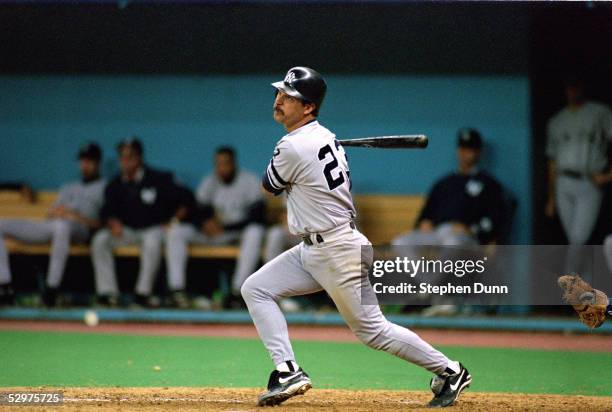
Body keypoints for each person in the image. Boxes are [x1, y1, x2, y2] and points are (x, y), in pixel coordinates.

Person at [240, 67, 471, 408]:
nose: (279, 100)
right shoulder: (322, 137)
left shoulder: (293, 146)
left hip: (336, 250)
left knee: (372, 331)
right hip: (315, 249)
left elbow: (268, 187)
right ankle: (288, 370)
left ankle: (451, 370)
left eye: (289, 97)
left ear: (308, 108)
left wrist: (292, 177)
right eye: (279, 93)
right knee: (256, 288)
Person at [0, 143, 105, 306]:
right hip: (54, 226)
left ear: (97, 163)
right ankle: (4, 286)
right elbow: (50, 214)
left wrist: (73, 215)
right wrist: (58, 213)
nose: (84, 165)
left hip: (79, 230)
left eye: (89, 161)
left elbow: (100, 223)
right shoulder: (68, 187)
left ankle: (51, 289)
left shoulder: (104, 187)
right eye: (82, 161)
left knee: (62, 226)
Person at [165, 147, 265, 308]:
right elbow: (197, 210)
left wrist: (226, 228)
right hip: (212, 234)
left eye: (225, 163)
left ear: (234, 163)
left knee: (255, 232)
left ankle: (237, 291)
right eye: (218, 164)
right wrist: (205, 222)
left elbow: (258, 215)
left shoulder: (249, 180)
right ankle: (177, 290)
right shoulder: (209, 181)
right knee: (177, 232)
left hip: (237, 234)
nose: (222, 168)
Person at [92, 138, 182, 307]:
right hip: (126, 231)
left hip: (153, 229)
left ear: (139, 158)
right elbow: (105, 211)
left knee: (152, 240)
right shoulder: (115, 184)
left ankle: (143, 293)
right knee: (100, 240)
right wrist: (112, 221)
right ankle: (108, 293)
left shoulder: (158, 178)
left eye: (129, 156)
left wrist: (173, 219)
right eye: (122, 157)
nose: (125, 161)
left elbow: (184, 199)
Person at [393, 128, 504, 248]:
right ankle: (421, 268)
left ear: (478, 151)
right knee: (401, 242)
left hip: (465, 237)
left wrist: (471, 229)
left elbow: (494, 219)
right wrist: (425, 222)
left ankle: (439, 268)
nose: (465, 153)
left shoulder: (489, 184)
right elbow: (425, 215)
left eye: (469, 149)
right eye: (462, 148)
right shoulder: (444, 183)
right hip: (437, 233)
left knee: (451, 243)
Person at [545, 75, 612, 246]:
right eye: (569, 87)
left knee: (578, 238)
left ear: (583, 87)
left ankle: (570, 273)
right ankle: (579, 272)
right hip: (564, 181)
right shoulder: (557, 120)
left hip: (589, 181)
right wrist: (551, 197)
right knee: (574, 240)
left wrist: (608, 175)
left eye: (576, 86)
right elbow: (552, 162)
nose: (573, 91)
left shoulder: (600, 112)